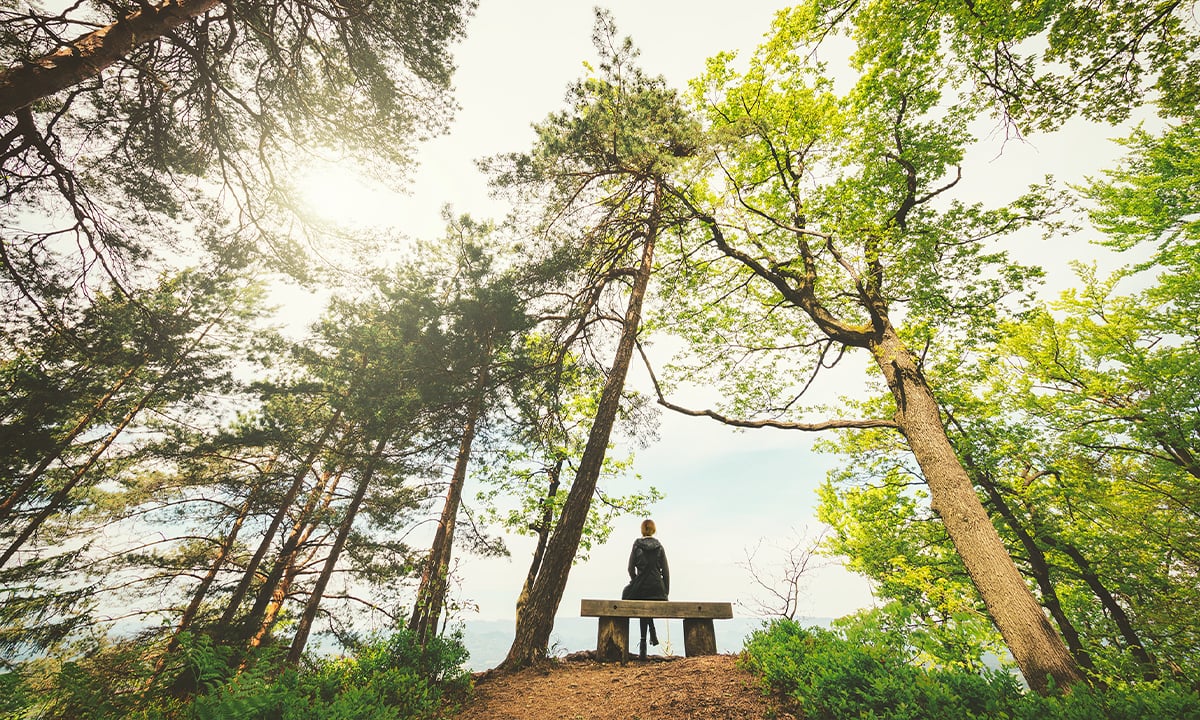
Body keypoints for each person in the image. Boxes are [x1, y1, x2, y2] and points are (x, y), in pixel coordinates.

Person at [622, 518, 669, 660]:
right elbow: (666, 572)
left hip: (641, 587)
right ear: (653, 530)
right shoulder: (660, 547)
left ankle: (643, 643)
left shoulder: (637, 545)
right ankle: (651, 633)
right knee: (646, 601)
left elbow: (630, 568)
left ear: (642, 530)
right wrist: (665, 591)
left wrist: (635, 580)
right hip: (657, 589)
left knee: (634, 596)